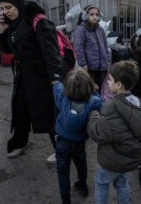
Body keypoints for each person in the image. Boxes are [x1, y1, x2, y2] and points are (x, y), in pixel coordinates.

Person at [0, 0, 66, 161]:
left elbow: (52, 53)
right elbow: (7, 50)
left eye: (9, 7)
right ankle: (19, 142)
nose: (6, 11)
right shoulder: (12, 23)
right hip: (23, 74)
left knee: (49, 113)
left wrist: (55, 79)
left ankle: (61, 149)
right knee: (20, 110)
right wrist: (2, 31)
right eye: (2, 8)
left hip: (41, 75)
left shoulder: (38, 21)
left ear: (18, 3)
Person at [87, 60, 141, 204]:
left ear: (118, 85)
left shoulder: (112, 109)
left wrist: (93, 115)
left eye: (109, 80)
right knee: (122, 183)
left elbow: (97, 132)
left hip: (112, 162)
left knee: (101, 183)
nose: (108, 82)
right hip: (131, 160)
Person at [53, 69, 103, 204]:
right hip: (79, 142)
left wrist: (57, 82)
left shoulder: (62, 99)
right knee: (81, 163)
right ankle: (82, 184)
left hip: (62, 142)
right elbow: (101, 103)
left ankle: (65, 198)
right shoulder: (92, 101)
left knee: (62, 170)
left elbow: (57, 88)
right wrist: (95, 91)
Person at [74, 5, 110, 90]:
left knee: (102, 90)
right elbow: (79, 48)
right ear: (85, 16)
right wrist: (83, 64)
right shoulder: (81, 30)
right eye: (92, 14)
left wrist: (107, 61)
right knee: (92, 90)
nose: (95, 17)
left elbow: (105, 46)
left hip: (102, 67)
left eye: (97, 15)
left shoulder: (100, 29)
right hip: (90, 67)